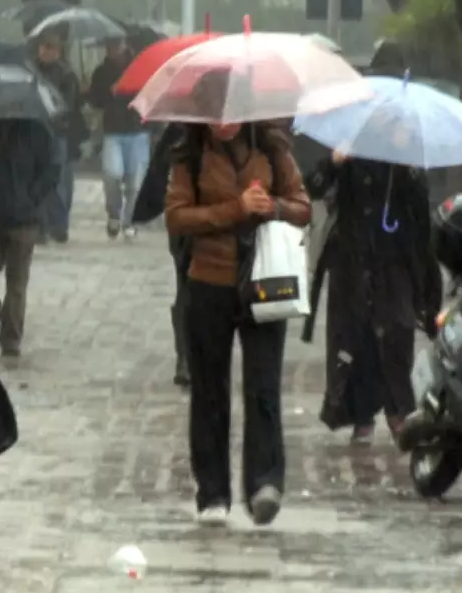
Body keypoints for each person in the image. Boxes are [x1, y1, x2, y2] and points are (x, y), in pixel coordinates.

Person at [164, 74, 312, 527]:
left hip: (264, 285)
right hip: (208, 283)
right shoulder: (188, 157)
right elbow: (176, 218)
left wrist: (273, 207)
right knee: (209, 391)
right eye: (211, 113)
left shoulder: (272, 148)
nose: (221, 122)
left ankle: (265, 483)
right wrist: (234, 210)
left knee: (263, 386)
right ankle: (213, 491)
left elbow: (303, 205)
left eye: (228, 112)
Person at [302, 142, 442, 445]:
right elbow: (312, 187)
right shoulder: (350, 153)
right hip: (352, 263)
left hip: (395, 266)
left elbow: (421, 223)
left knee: (397, 333)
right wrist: (334, 162)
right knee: (356, 338)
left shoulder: (407, 164)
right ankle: (360, 415)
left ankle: (399, 411)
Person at [0, 114, 61, 357]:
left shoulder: (37, 130)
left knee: (17, 282)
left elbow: (52, 169)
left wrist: (31, 198)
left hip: (24, 220)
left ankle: (11, 338)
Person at [131, 122, 190, 386]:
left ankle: (197, 355)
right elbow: (159, 171)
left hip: (229, 229)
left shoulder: (246, 128)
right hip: (187, 227)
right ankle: (186, 358)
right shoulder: (181, 129)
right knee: (187, 289)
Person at [88, 37, 150, 240]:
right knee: (111, 174)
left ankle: (129, 221)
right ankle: (114, 214)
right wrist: (109, 92)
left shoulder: (140, 67)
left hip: (138, 130)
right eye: (109, 46)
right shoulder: (101, 72)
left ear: (124, 45)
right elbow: (95, 101)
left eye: (116, 45)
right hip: (113, 131)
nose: (112, 50)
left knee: (135, 182)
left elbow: (151, 94)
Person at [30, 32, 87, 243]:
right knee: (37, 179)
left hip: (56, 133)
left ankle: (59, 225)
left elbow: (68, 106)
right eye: (44, 47)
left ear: (58, 51)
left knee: (57, 180)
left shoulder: (66, 75)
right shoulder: (30, 70)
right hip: (35, 131)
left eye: (51, 47)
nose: (46, 51)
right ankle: (40, 225)